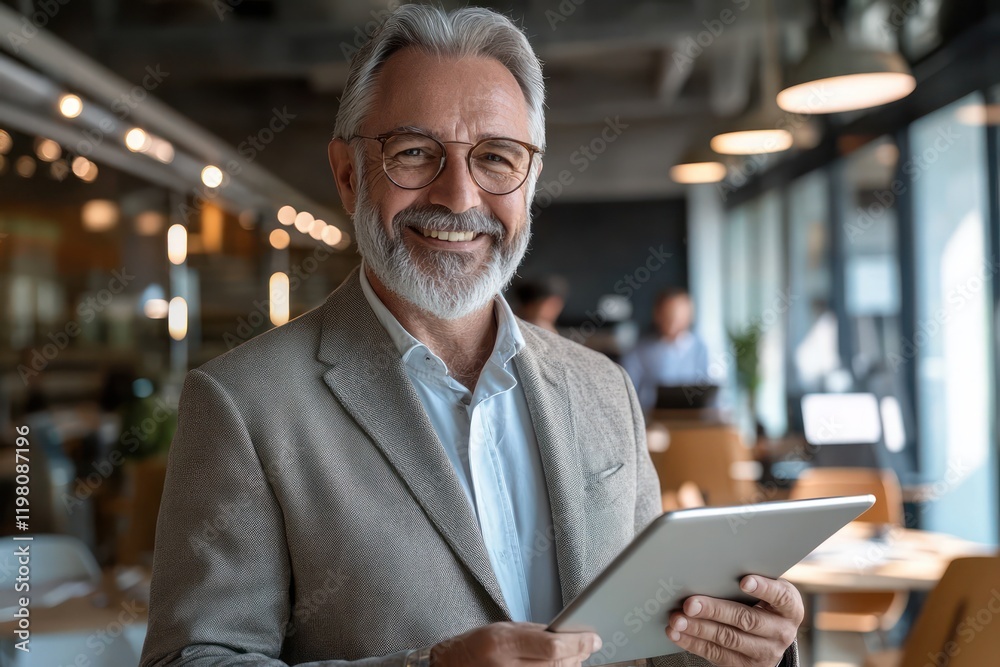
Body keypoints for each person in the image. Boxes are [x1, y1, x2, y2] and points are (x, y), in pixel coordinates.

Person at [140, 6, 802, 667]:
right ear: (348, 175)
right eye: (413, 153)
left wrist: (741, 645)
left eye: (495, 157)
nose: (458, 197)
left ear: (531, 178)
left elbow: (651, 644)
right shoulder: (243, 403)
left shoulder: (604, 386)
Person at [622, 289, 711, 413]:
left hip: (692, 418)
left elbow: (708, 391)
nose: (674, 320)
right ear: (657, 314)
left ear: (689, 315)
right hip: (650, 419)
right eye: (668, 314)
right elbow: (627, 394)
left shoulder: (700, 348)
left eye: (679, 315)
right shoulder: (638, 351)